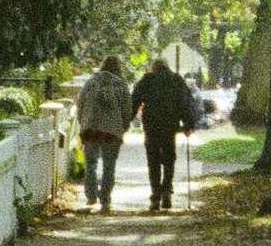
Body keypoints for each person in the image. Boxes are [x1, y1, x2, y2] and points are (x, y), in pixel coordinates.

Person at [130, 56, 200, 212]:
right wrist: (188, 124)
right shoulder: (176, 79)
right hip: (169, 125)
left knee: (153, 160)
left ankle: (155, 195)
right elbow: (185, 102)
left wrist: (127, 120)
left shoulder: (147, 79)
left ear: (153, 67)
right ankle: (167, 190)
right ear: (167, 67)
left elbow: (135, 99)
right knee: (169, 159)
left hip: (151, 125)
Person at [75, 56, 132, 212]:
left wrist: (83, 122)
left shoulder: (91, 82)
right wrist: (124, 125)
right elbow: (127, 108)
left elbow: (80, 104)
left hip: (91, 128)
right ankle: (105, 199)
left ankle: (91, 195)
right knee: (109, 164)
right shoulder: (120, 84)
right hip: (111, 130)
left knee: (91, 163)